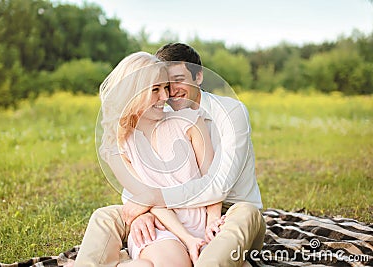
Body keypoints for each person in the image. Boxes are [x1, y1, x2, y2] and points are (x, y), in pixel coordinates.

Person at [75, 43, 266, 267]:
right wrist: (141, 212)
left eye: (177, 80)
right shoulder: (160, 116)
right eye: (163, 84)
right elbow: (142, 181)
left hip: (228, 210)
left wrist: (152, 199)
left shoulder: (231, 112)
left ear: (199, 77)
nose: (169, 92)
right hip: (171, 214)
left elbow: (218, 184)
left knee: (244, 214)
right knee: (105, 217)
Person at [96, 51, 222, 266]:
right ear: (132, 92)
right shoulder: (117, 146)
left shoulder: (190, 122)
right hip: (160, 227)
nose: (165, 97)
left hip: (201, 221)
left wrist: (212, 226)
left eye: (165, 88)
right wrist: (188, 239)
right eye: (155, 90)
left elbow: (212, 182)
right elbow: (148, 199)